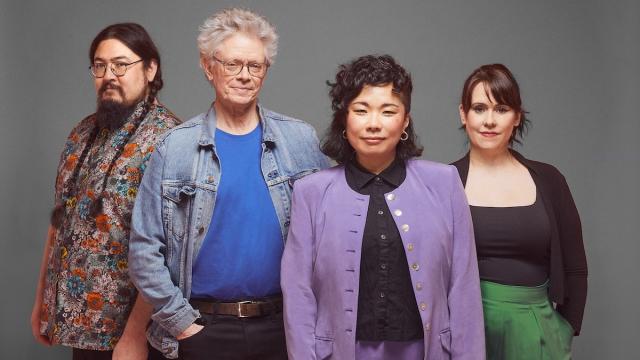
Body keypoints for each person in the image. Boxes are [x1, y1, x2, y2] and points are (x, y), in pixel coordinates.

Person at [128, 8, 330, 360]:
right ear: (209, 67)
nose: (244, 76)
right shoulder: (174, 148)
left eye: (255, 66)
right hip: (200, 329)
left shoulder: (301, 142)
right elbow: (144, 251)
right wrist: (184, 327)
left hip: (283, 328)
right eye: (233, 64)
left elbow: (330, 234)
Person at [281, 55, 485, 360]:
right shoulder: (311, 192)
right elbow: (298, 294)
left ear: (404, 121)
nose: (373, 124)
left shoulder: (444, 183)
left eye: (388, 111)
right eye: (361, 111)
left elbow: (464, 287)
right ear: (344, 120)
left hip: (426, 352)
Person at [30, 23, 180, 359]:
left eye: (121, 64)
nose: (109, 74)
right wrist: (43, 300)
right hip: (79, 326)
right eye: (100, 66)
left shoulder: (171, 141)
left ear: (150, 68)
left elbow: (172, 249)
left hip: (136, 335)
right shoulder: (81, 133)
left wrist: (135, 334)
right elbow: (60, 223)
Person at [451, 63, 588, 359]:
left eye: (501, 109)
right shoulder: (443, 182)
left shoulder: (549, 180)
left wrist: (565, 330)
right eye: (479, 108)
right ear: (463, 114)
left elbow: (575, 266)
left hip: (535, 330)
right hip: (464, 329)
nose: (489, 120)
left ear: (516, 117)